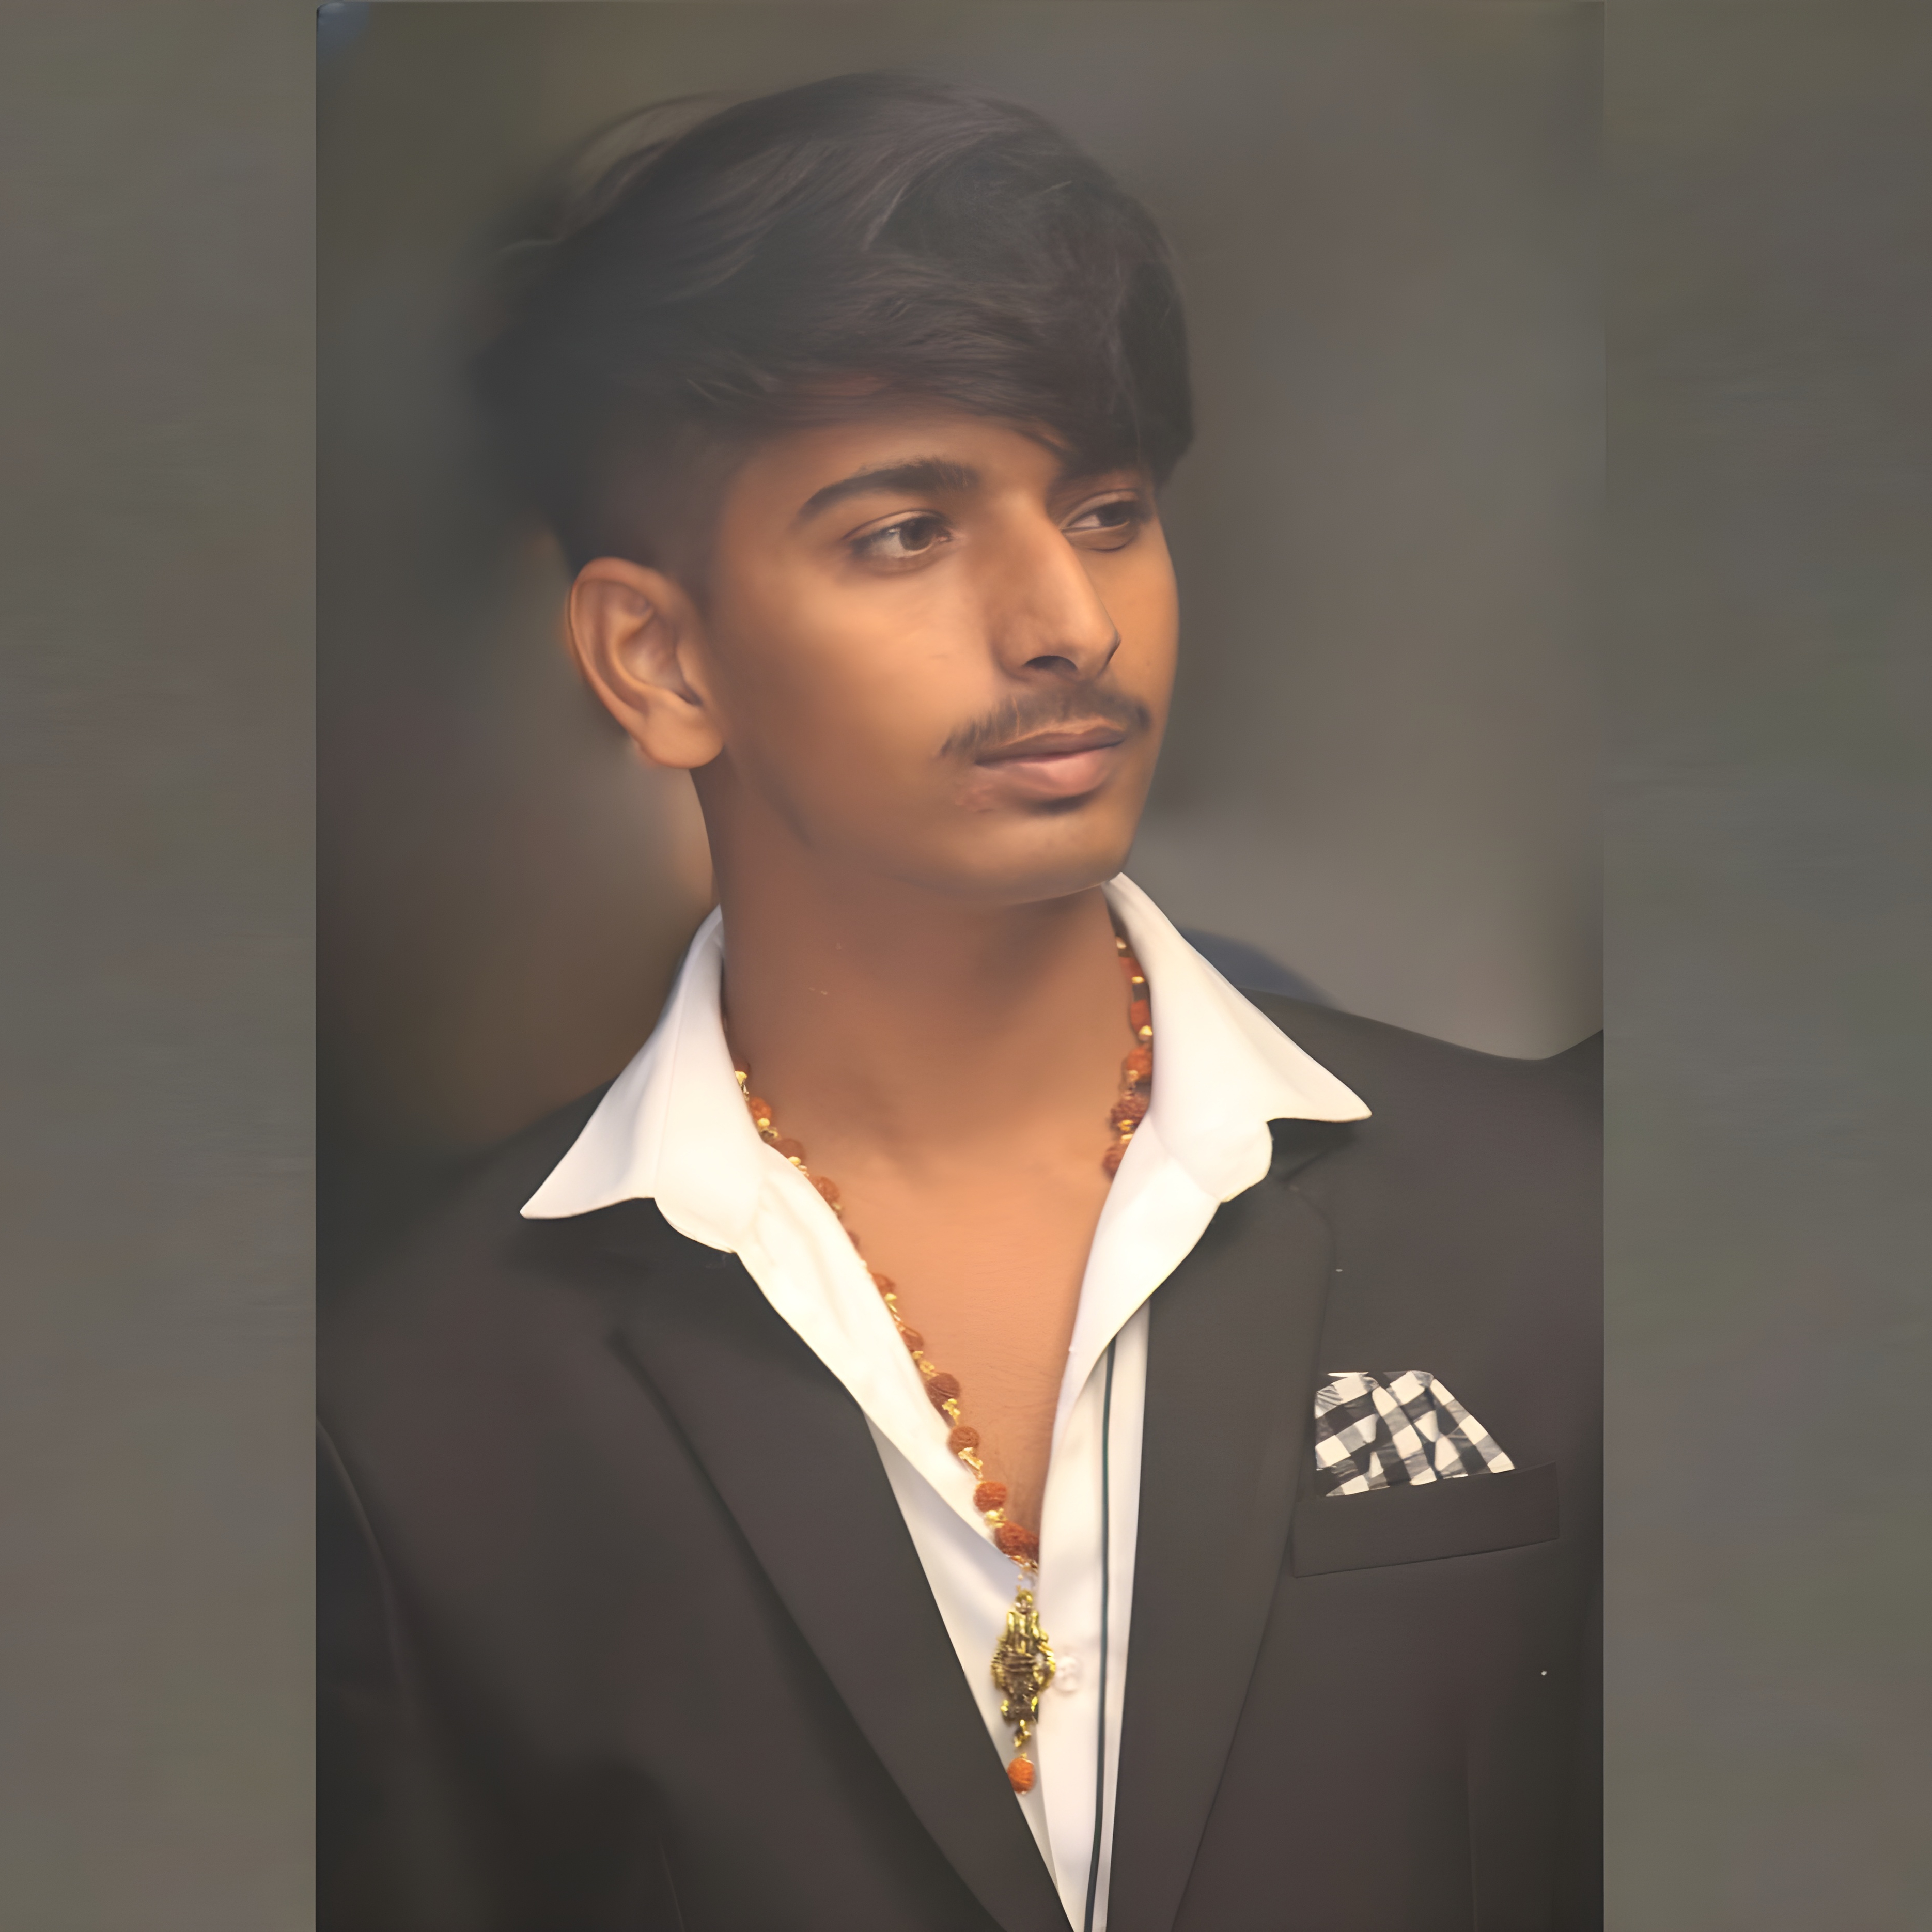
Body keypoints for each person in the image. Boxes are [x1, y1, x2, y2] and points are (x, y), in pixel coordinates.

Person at [319, 72, 1600, 1932]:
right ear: (656, 659)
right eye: (903, 533)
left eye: (1104, 507)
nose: (1064, 618)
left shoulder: (1563, 1218)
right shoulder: (412, 1414)